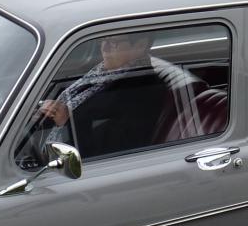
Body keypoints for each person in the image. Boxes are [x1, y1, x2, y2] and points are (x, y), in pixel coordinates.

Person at [36, 32, 202, 159]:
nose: (104, 47)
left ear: (140, 46)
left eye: (113, 43)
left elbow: (109, 151)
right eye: (103, 40)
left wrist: (68, 121)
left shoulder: (143, 91)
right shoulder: (104, 72)